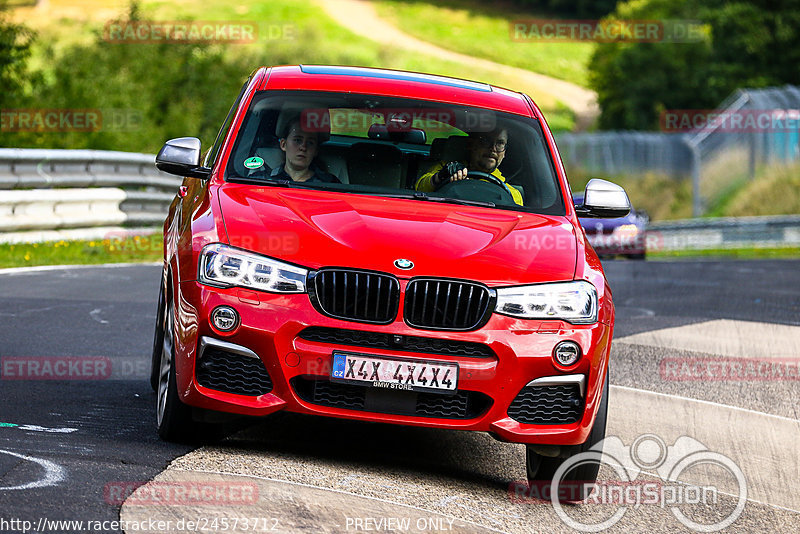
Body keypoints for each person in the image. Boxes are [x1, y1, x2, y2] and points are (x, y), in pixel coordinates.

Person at [415, 128, 523, 206]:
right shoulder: (447, 169)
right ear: (471, 145)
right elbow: (420, 188)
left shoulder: (512, 194)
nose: (493, 148)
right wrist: (442, 177)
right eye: (485, 141)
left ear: (504, 153)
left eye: (500, 143)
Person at [269, 118, 340, 183]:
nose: (303, 147)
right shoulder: (263, 179)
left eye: (310, 142)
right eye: (297, 140)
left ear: (316, 150)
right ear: (283, 144)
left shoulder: (331, 183)